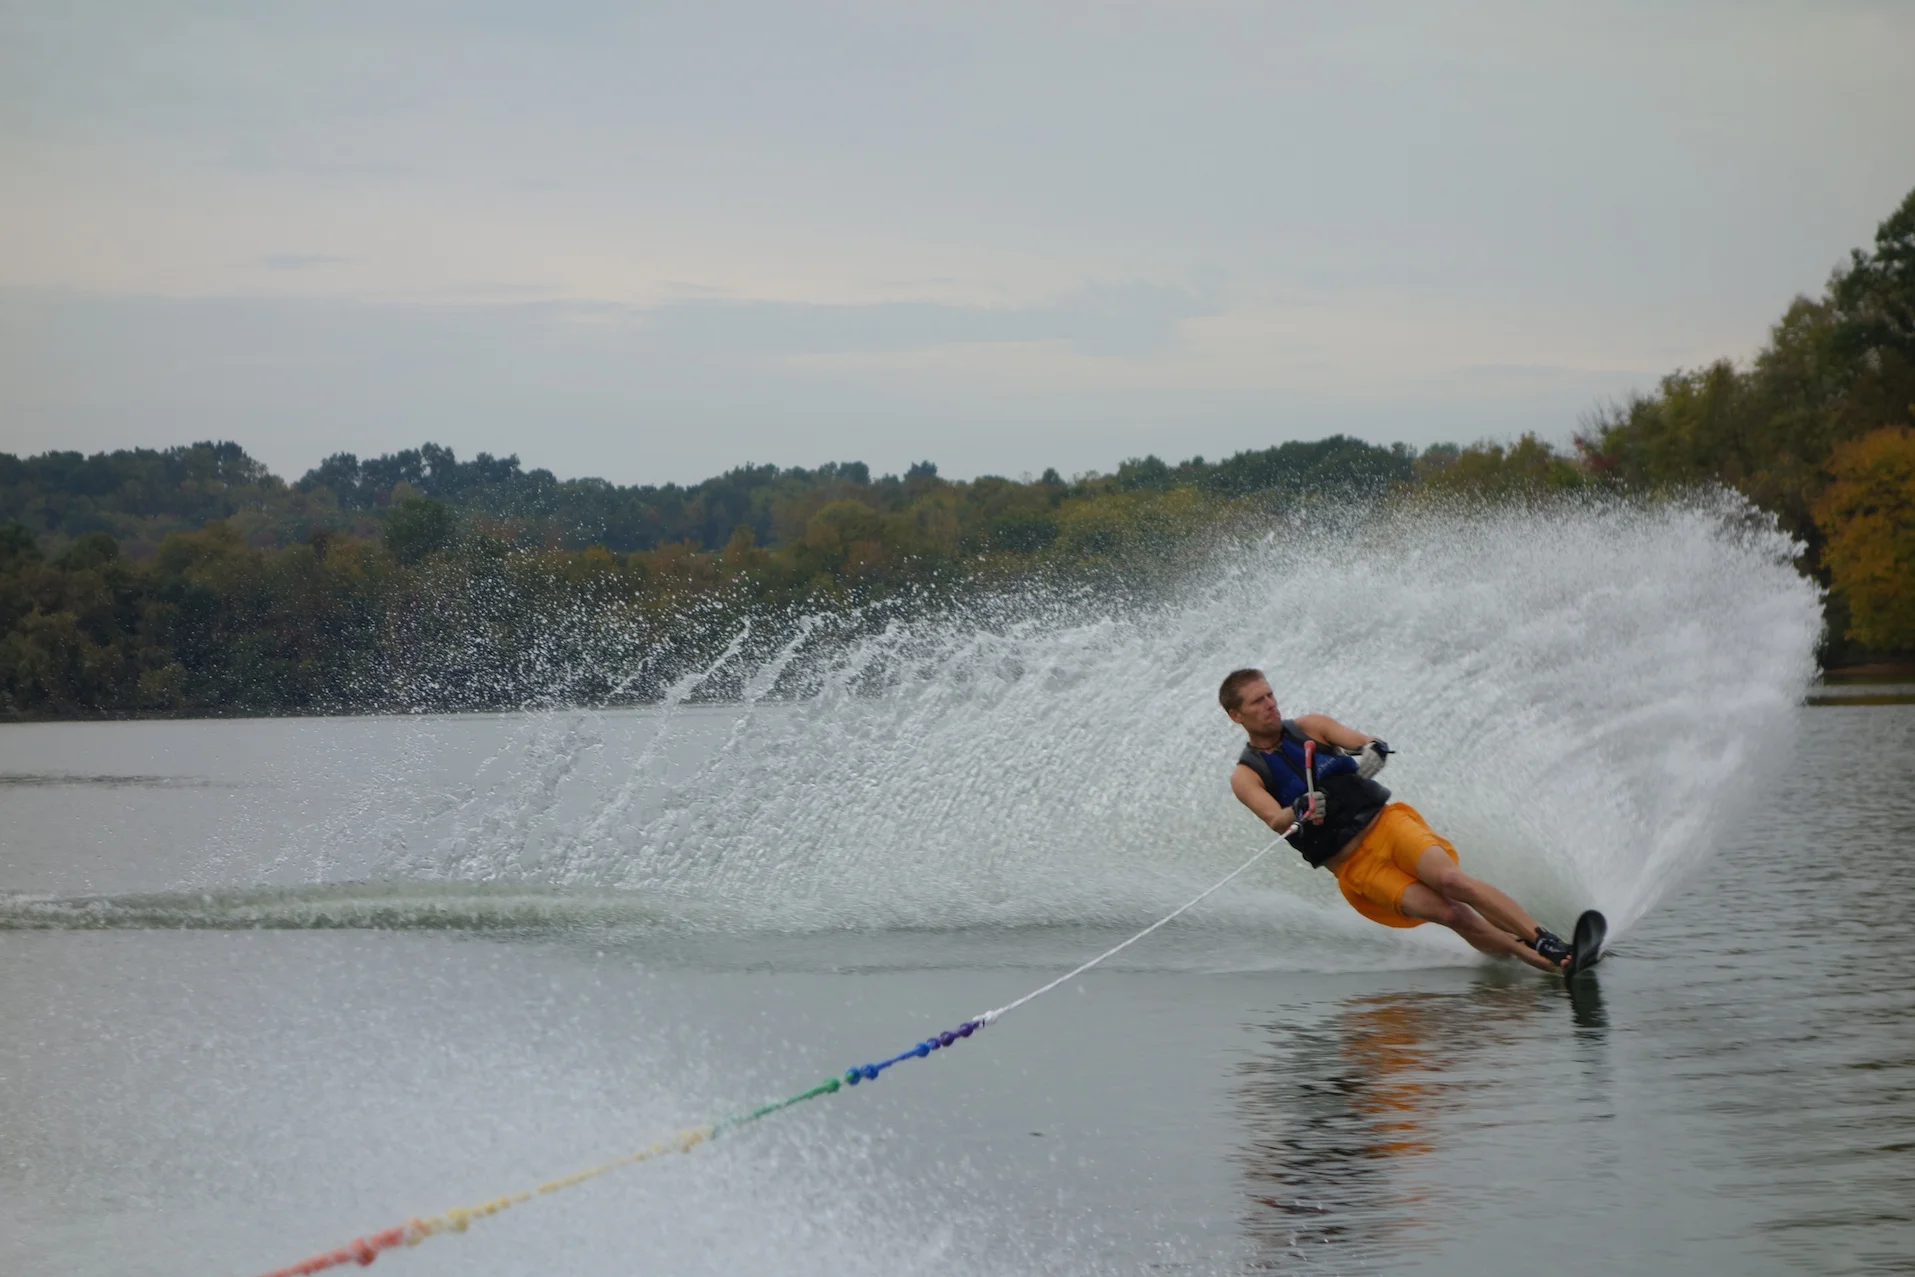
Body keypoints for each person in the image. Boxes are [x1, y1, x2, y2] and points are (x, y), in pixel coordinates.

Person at [1219, 667, 1572, 973]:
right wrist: (1299, 808)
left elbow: (1362, 741)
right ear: (1237, 715)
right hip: (1356, 867)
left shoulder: (1311, 727)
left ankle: (1545, 942)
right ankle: (1535, 960)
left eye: (1270, 695)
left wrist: (1375, 748)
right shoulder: (1246, 775)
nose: (1270, 705)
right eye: (1257, 701)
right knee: (1451, 915)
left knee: (1451, 881)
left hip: (1387, 825)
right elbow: (1275, 819)